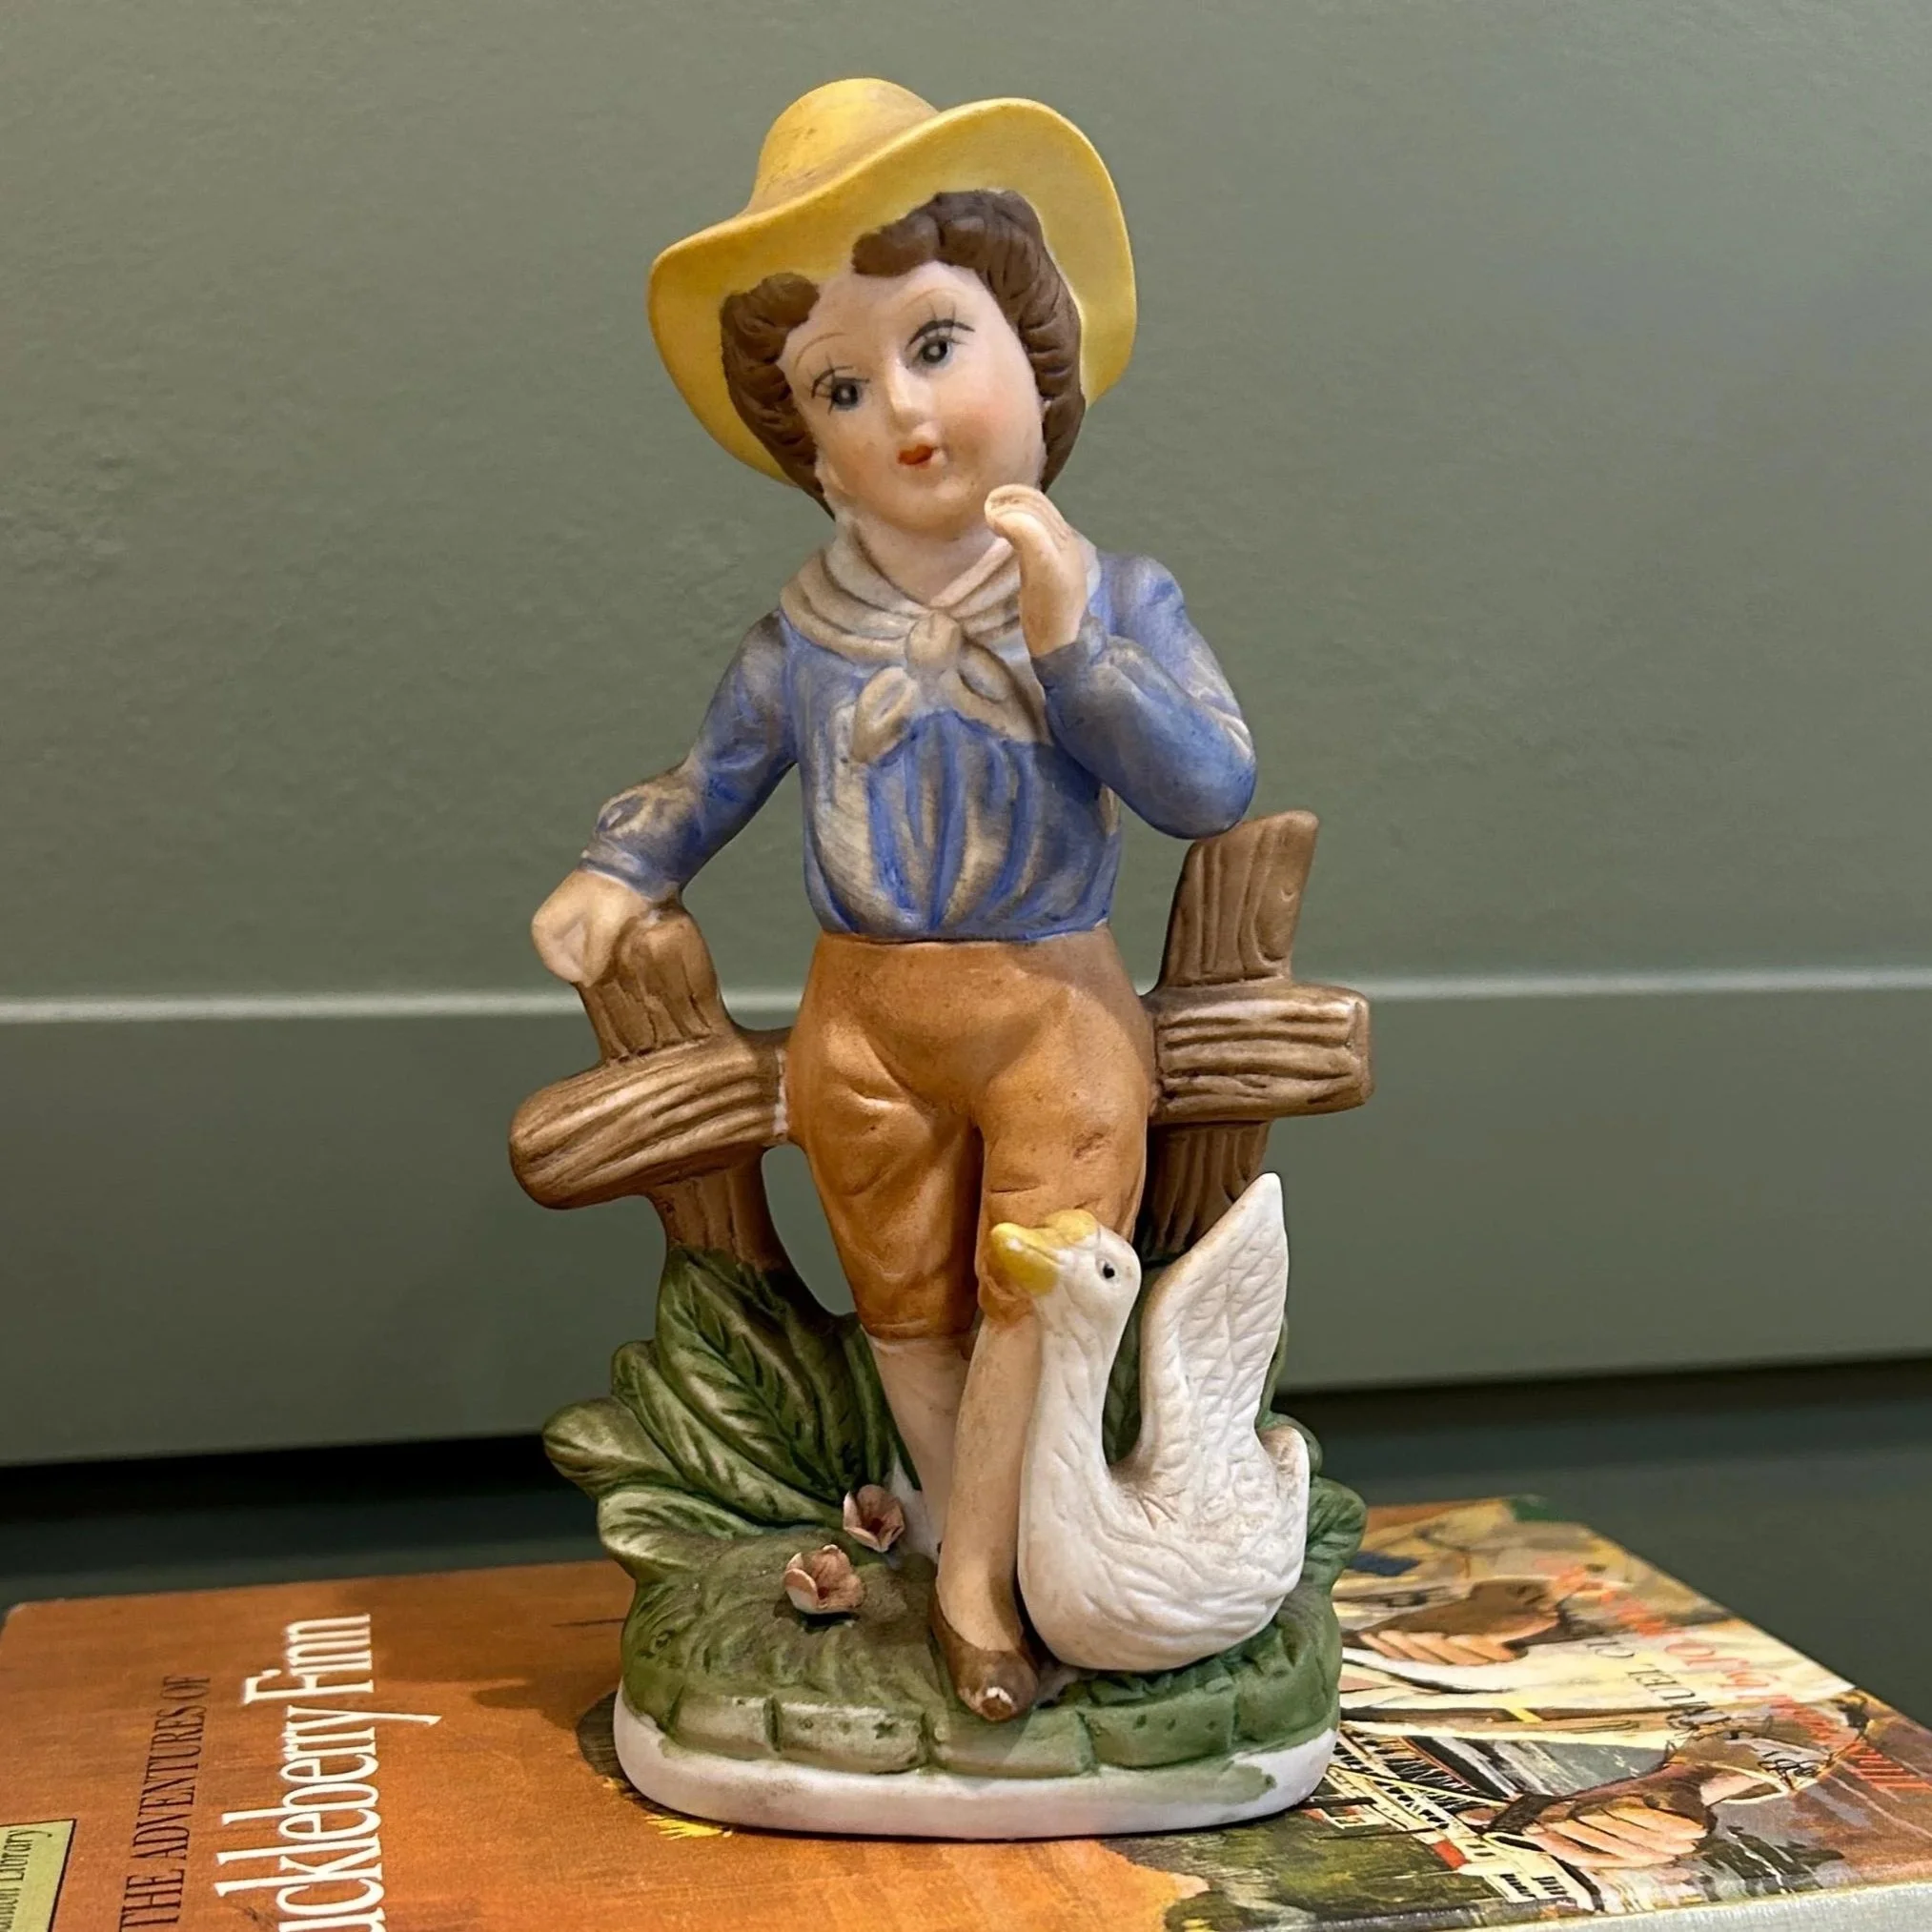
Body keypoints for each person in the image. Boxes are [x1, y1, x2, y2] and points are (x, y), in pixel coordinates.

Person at [529, 80, 1255, 1720]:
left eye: (936, 345)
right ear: (804, 441)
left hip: (1048, 1002)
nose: (901, 413)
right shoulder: (807, 633)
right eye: (840, 387)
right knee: (905, 1293)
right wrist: (620, 864)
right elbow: (712, 775)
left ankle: (978, 1583)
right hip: (863, 1016)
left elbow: (1206, 783)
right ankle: (959, 1531)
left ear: (1036, 350)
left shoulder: (1113, 595)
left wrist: (1072, 641)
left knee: (1037, 1272)